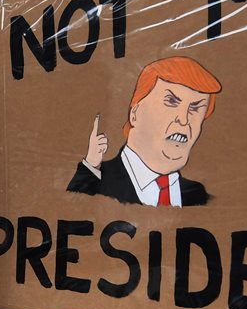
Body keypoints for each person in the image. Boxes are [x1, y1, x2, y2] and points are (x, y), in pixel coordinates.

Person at [67, 56, 221, 207]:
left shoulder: (197, 196)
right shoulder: (95, 181)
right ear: (135, 113)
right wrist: (91, 167)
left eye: (194, 108)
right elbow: (69, 212)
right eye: (171, 101)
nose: (184, 119)